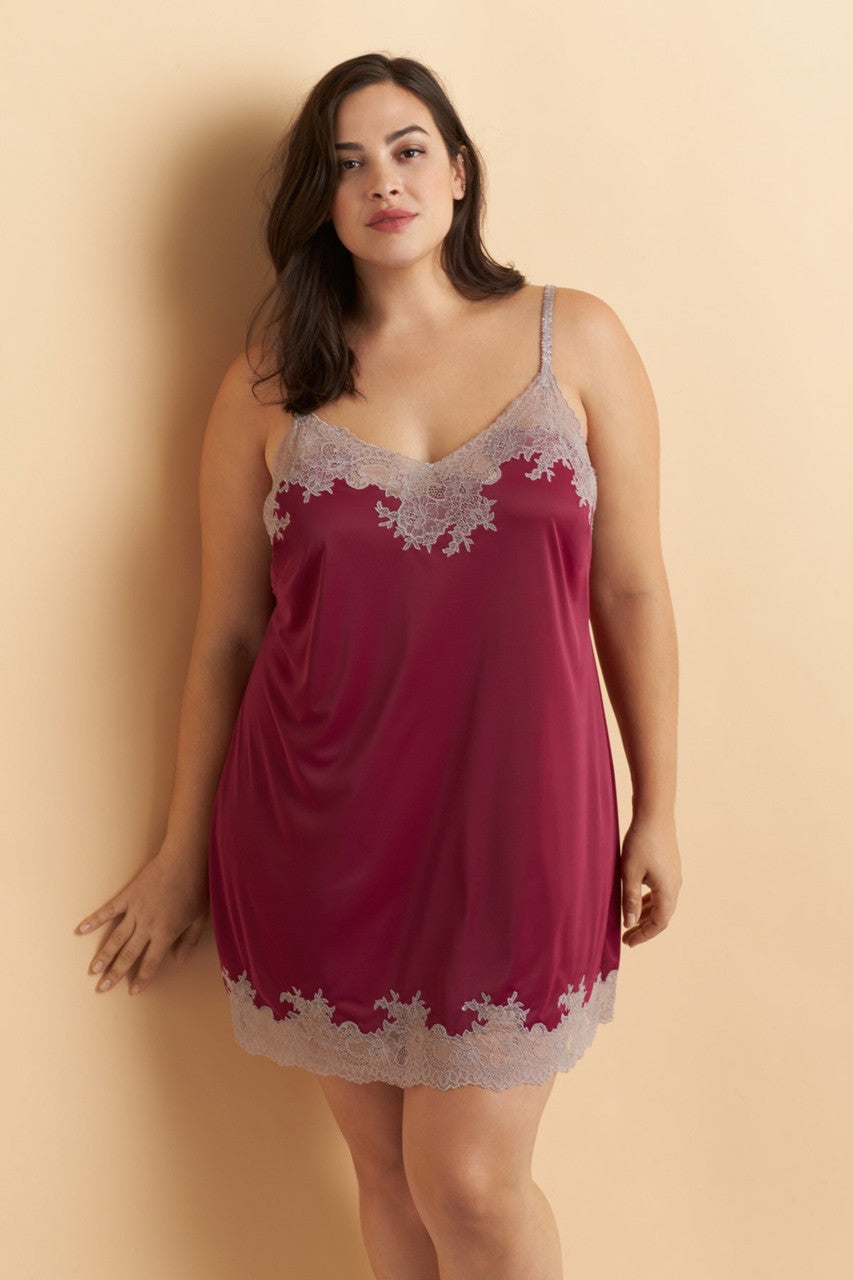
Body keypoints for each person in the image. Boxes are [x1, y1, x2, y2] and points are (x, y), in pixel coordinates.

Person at [75, 51, 681, 1280]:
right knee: (392, 1180)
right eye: (347, 164)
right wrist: (181, 856)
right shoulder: (265, 386)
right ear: (322, 200)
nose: (382, 182)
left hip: (520, 819)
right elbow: (228, 635)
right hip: (316, 824)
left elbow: (628, 588)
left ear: (457, 171)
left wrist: (659, 805)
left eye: (406, 150)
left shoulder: (576, 337)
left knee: (471, 1182)